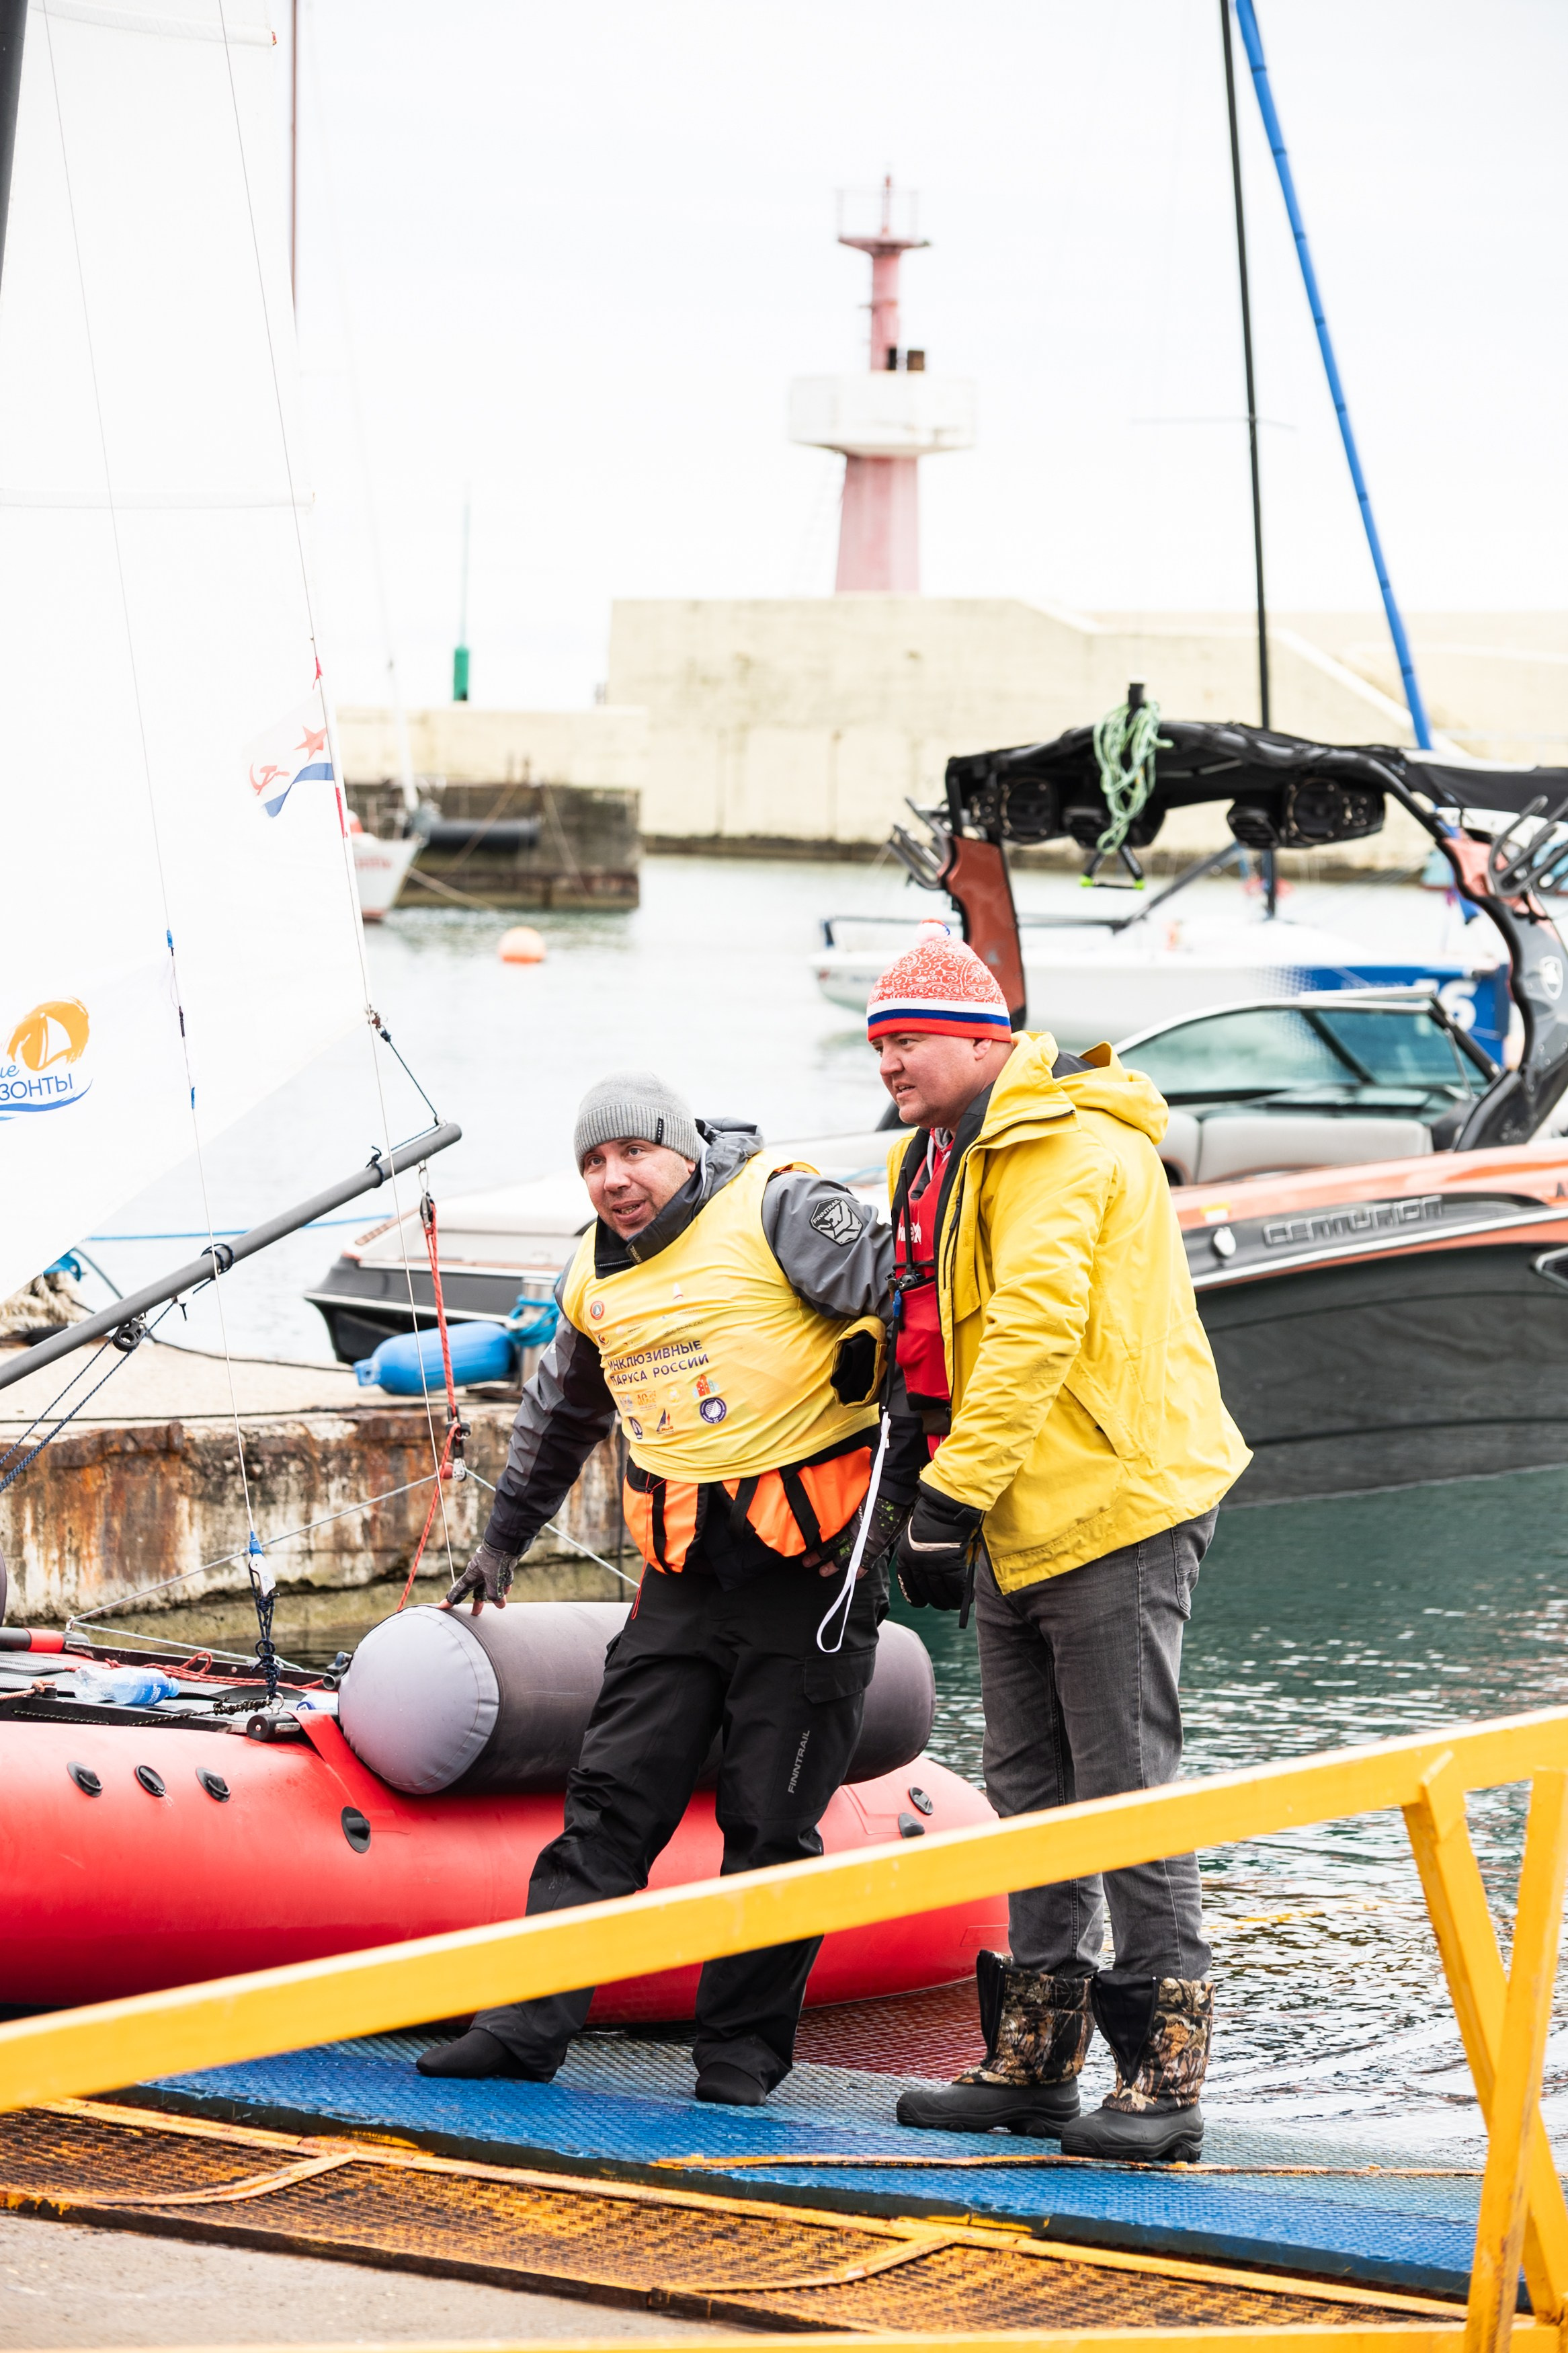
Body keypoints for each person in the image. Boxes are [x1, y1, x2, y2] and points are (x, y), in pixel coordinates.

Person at [417, 1070, 912, 2106]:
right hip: (682, 1578)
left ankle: (737, 2057)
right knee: (606, 1805)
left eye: (632, 1153)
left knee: (769, 1831)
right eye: (593, 1163)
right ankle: (520, 2029)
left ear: (682, 1150)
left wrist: (890, 1532)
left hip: (810, 1580)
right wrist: (501, 1544)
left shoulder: (779, 1207)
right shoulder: (592, 1276)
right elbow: (560, 1419)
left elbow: (918, 1328)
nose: (612, 1178)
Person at [876, 922, 1250, 2161]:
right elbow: (931, 1328)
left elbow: (1033, 1335)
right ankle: (1035, 2060)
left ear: (985, 1041)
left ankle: (1165, 2077)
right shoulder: (936, 1156)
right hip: (1017, 1511)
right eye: (876, 1039)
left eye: (912, 1037)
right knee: (1031, 1788)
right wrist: (919, 1479)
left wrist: (946, 1503)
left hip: (1115, 1503)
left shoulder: (1066, 1145)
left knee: (1124, 1784)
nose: (889, 1059)